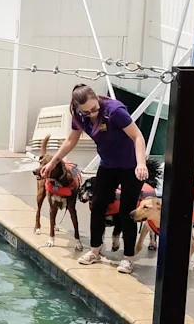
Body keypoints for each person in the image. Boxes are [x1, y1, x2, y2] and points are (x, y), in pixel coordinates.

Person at [40, 84, 150, 273]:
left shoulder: (114, 111)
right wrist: (53, 162)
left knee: (127, 211)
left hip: (131, 166)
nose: (92, 113)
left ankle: (128, 258)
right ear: (77, 107)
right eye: (87, 111)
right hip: (108, 166)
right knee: (97, 206)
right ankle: (95, 250)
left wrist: (141, 163)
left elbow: (137, 136)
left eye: (95, 108)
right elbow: (71, 140)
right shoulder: (79, 115)